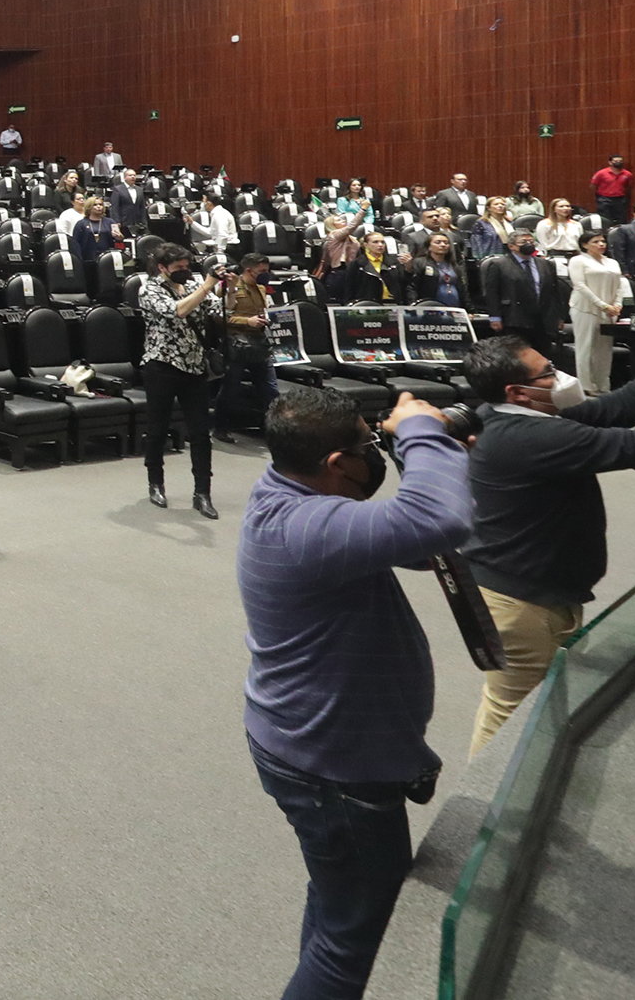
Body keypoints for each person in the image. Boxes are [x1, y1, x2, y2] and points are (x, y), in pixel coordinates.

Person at [237, 387, 472, 1000]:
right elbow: (438, 521)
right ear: (338, 463)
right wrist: (419, 434)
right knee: (355, 940)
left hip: (308, 745)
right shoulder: (306, 526)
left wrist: (443, 458)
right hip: (331, 768)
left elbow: (421, 542)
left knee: (338, 905)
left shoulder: (294, 494)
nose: (376, 451)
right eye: (369, 445)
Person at [460, 328, 635, 752]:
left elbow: (612, 409)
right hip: (518, 603)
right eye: (547, 373)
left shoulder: (517, 415)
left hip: (521, 590)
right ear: (517, 392)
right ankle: (484, 794)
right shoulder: (531, 437)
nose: (559, 377)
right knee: (510, 719)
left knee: (515, 707)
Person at [137, 240, 223, 518]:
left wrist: (229, 289)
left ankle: (202, 493)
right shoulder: (149, 289)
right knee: (158, 429)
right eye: (178, 266)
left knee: (200, 433)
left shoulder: (194, 283)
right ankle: (156, 483)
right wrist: (206, 286)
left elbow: (218, 311)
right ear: (163, 267)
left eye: (187, 265)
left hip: (194, 367)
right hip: (161, 366)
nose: (184, 270)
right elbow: (177, 311)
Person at [215, 252, 278, 438]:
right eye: (262, 271)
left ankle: (273, 430)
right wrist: (247, 321)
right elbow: (220, 317)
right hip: (237, 344)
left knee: (271, 390)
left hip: (260, 344)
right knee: (230, 389)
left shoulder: (261, 288)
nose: (266, 274)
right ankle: (220, 427)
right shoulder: (230, 288)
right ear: (249, 270)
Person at [481, 230, 568, 351]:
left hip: (543, 319)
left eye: (531, 241)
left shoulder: (546, 264)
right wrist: (495, 317)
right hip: (514, 318)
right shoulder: (498, 264)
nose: (529, 244)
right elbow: (492, 293)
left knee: (542, 353)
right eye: (523, 242)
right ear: (511, 246)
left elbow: (555, 292)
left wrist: (559, 317)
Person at [566, 230, 625, 395]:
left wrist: (617, 304)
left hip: (609, 311)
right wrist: (602, 305)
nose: (601, 244)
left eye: (603, 241)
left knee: (604, 349)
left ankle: (603, 384)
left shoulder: (612, 262)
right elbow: (580, 285)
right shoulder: (578, 260)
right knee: (586, 347)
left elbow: (619, 285)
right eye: (596, 242)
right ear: (585, 245)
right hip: (585, 308)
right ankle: (586, 385)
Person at [339, 232, 414, 304]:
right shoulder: (356, 264)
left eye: (382, 242)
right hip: (368, 304)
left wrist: (408, 267)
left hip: (393, 302)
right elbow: (349, 288)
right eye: (375, 242)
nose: (380, 245)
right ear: (366, 245)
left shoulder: (394, 262)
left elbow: (404, 283)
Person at [409, 230, 470, 309]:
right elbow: (413, 286)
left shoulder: (453, 265)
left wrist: (469, 309)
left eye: (446, 243)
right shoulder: (420, 262)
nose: (443, 245)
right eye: (438, 242)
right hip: (430, 308)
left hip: (455, 308)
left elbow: (463, 289)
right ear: (429, 247)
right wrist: (413, 306)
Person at [590, 155, 633, 225]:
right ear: (610, 162)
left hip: (620, 199)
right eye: (616, 161)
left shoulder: (628, 174)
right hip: (604, 199)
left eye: (620, 161)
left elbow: (629, 186)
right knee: (604, 218)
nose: (618, 162)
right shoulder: (601, 173)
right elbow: (593, 185)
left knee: (621, 218)